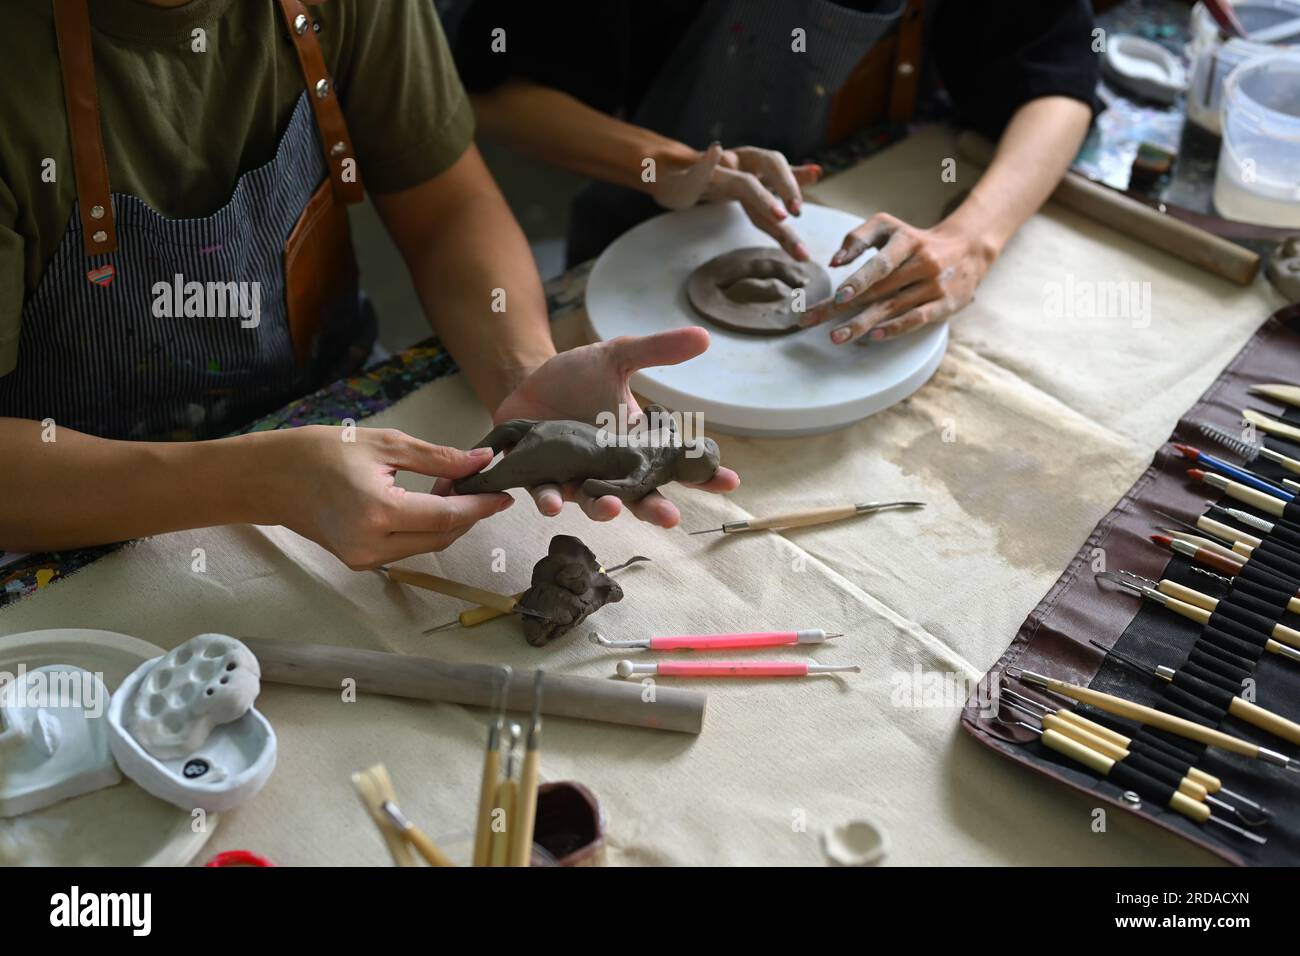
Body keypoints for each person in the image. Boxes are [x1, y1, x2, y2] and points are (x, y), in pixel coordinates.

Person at [0, 0, 738, 570]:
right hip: (64, 502)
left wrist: (522, 368)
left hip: (330, 406)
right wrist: (252, 480)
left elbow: (448, 208)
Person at [450, 0, 1100, 345]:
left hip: (882, 209)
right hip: (655, 232)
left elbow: (1059, 84)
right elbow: (487, 95)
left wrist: (969, 241)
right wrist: (668, 162)